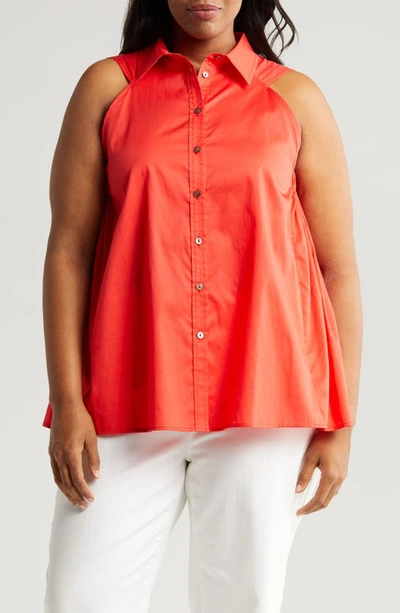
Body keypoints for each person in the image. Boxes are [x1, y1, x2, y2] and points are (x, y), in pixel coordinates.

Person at [41, 1, 363, 612]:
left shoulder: (294, 99)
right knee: (80, 600)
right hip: (123, 400)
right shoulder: (108, 89)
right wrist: (67, 403)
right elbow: (68, 252)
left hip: (263, 405)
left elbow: (338, 271)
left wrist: (339, 424)